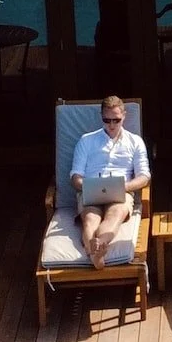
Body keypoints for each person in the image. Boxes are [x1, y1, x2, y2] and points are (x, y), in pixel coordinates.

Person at [70, 95, 150, 261]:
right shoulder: (86, 141)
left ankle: (97, 247)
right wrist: (87, 186)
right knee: (90, 219)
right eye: (107, 120)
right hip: (91, 191)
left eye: (116, 120)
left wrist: (123, 187)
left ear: (124, 116)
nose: (112, 125)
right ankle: (96, 254)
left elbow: (144, 176)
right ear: (101, 117)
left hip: (121, 192)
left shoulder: (135, 142)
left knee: (115, 215)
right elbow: (75, 176)